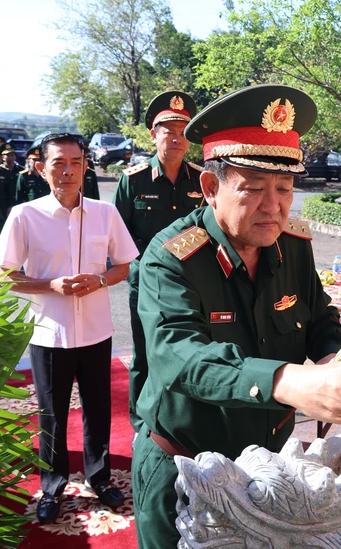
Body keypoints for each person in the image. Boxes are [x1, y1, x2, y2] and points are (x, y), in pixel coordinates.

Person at [131, 85, 341, 548]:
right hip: (187, 466)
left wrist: (334, 357)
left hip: (272, 468)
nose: (273, 206)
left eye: (285, 188)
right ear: (211, 187)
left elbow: (318, 316)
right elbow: (179, 356)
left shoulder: (291, 244)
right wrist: (287, 382)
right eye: (253, 189)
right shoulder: (171, 257)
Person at [0, 132, 138, 525]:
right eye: (59, 163)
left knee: (98, 409)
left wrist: (102, 280)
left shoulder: (105, 214)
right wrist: (49, 286)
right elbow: (6, 275)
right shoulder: (25, 215)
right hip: (49, 332)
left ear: (85, 166)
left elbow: (123, 264)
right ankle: (52, 486)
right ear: (41, 168)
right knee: (52, 414)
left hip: (95, 330)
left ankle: (101, 478)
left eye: (76, 162)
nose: (68, 171)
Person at [113, 90, 203, 430]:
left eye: (183, 130)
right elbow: (117, 235)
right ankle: (141, 423)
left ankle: (183, 417)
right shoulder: (133, 180)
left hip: (193, 281)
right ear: (154, 134)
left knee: (191, 348)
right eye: (169, 130)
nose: (177, 137)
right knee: (145, 352)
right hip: (147, 282)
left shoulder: (201, 179)